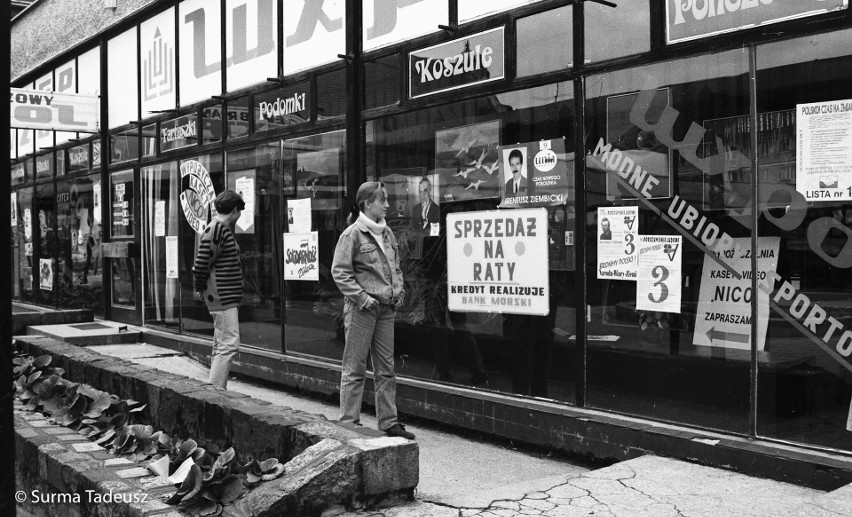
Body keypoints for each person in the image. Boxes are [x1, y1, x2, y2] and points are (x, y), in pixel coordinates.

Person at [332, 181, 414, 440]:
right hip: (361, 310)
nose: (388, 204)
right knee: (354, 367)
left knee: (386, 368)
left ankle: (389, 422)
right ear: (368, 203)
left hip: (386, 309)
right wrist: (363, 299)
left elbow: (396, 266)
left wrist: (398, 290)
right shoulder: (352, 235)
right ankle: (349, 423)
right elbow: (340, 273)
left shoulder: (387, 233)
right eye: (384, 200)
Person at [193, 190, 245, 389]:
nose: (240, 216)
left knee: (221, 345)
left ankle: (215, 392)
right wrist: (200, 287)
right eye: (239, 211)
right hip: (223, 297)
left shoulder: (218, 229)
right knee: (229, 345)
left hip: (224, 296)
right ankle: (215, 395)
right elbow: (201, 263)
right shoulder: (217, 229)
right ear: (234, 210)